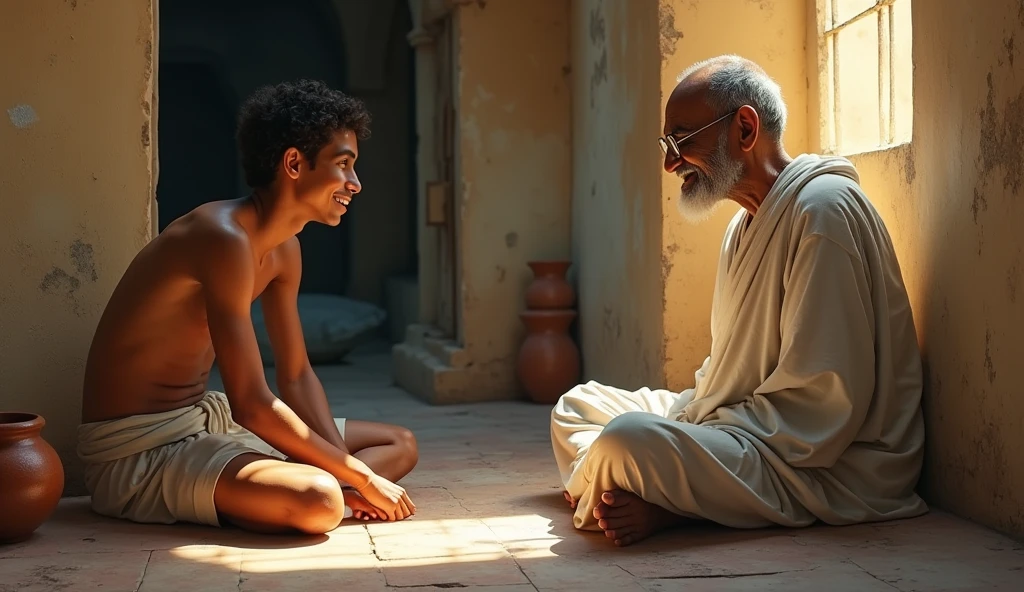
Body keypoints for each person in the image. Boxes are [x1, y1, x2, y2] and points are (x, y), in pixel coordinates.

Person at [550, 55, 927, 547]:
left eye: (681, 140)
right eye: (667, 145)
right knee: (576, 405)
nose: (670, 163)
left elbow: (818, 409)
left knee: (626, 440)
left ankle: (651, 499)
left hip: (828, 464)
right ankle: (629, 486)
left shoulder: (823, 212)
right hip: (740, 425)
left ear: (744, 128)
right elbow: (730, 371)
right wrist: (697, 418)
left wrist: (696, 430)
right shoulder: (742, 226)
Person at [77, 80, 418, 534]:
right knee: (319, 501)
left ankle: (304, 487)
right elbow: (252, 404)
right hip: (142, 451)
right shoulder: (222, 237)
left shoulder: (285, 249)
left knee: (399, 443)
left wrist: (345, 471)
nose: (355, 184)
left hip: (206, 424)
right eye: (343, 165)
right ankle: (303, 491)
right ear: (294, 163)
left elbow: (295, 376)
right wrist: (358, 475)